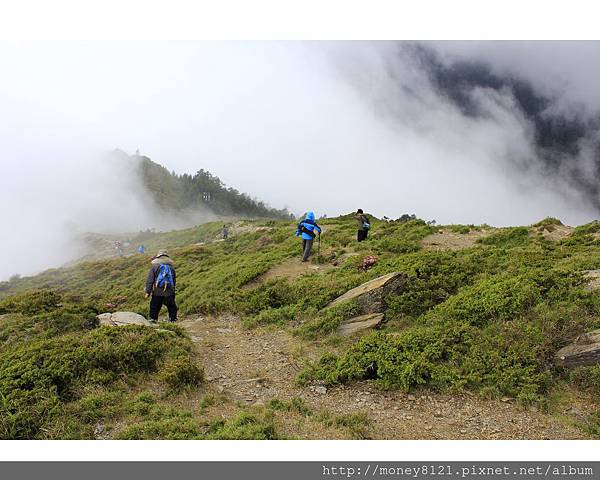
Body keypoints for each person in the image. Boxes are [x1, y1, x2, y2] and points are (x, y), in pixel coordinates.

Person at [144, 250, 178, 323]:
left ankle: (153, 320)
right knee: (171, 306)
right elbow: (174, 280)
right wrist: (173, 290)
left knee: (154, 307)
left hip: (157, 292)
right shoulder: (171, 268)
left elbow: (150, 280)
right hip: (169, 292)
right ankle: (173, 319)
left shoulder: (154, 267)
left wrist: (148, 292)